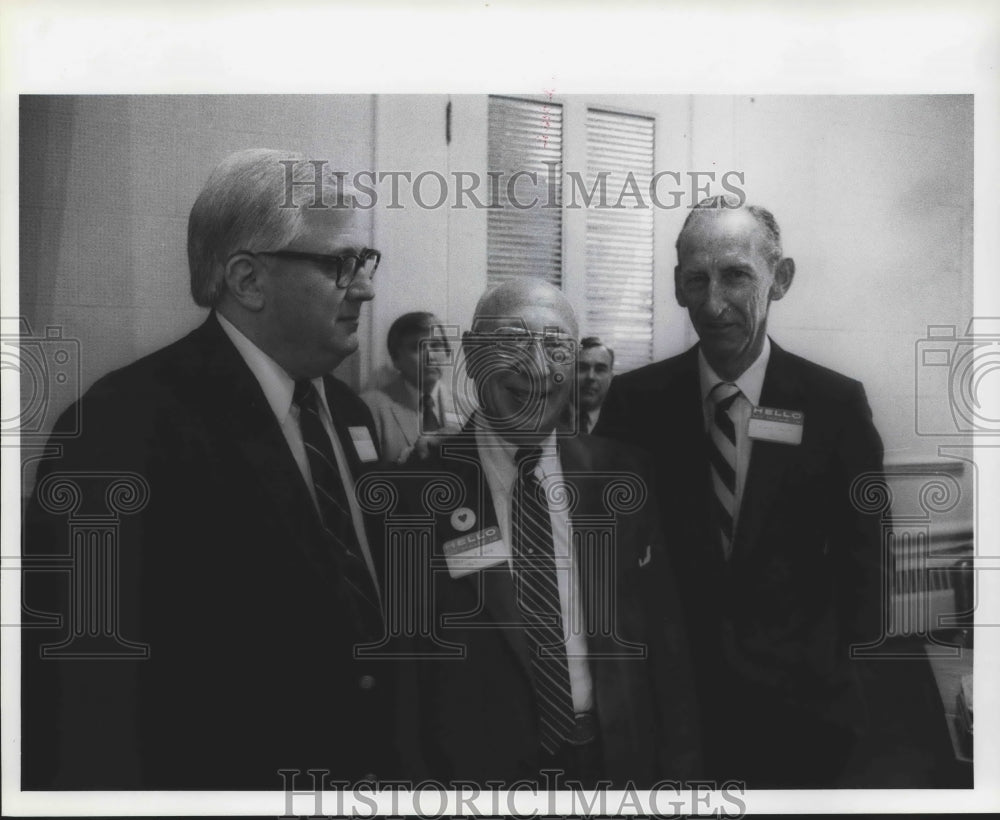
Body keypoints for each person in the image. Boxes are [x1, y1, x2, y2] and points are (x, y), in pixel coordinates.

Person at [21, 149, 395, 789]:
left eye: (364, 262)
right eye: (339, 264)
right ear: (248, 280)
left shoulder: (351, 413)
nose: (364, 287)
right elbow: (81, 684)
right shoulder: (123, 424)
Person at [595, 197, 886, 788]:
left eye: (735, 276)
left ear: (780, 279)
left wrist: (847, 680)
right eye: (695, 280)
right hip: (675, 707)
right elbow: (600, 545)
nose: (713, 304)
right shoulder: (635, 403)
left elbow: (867, 559)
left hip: (802, 706)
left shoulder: (833, 405)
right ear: (676, 286)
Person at [390, 279, 700, 788]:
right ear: (472, 353)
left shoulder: (621, 476)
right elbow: (405, 683)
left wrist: (681, 777)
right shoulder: (415, 495)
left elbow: (667, 647)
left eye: (556, 346)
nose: (536, 366)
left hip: (616, 767)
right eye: (512, 341)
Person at [362, 311, 463, 463]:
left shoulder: (468, 407)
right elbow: (365, 473)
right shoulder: (370, 407)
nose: (430, 357)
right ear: (395, 359)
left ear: (447, 353)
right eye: (416, 348)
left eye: (436, 345)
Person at [576, 336, 614, 435]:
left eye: (600, 369)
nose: (590, 377)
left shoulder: (623, 424)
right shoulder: (550, 418)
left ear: (611, 377)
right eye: (582, 368)